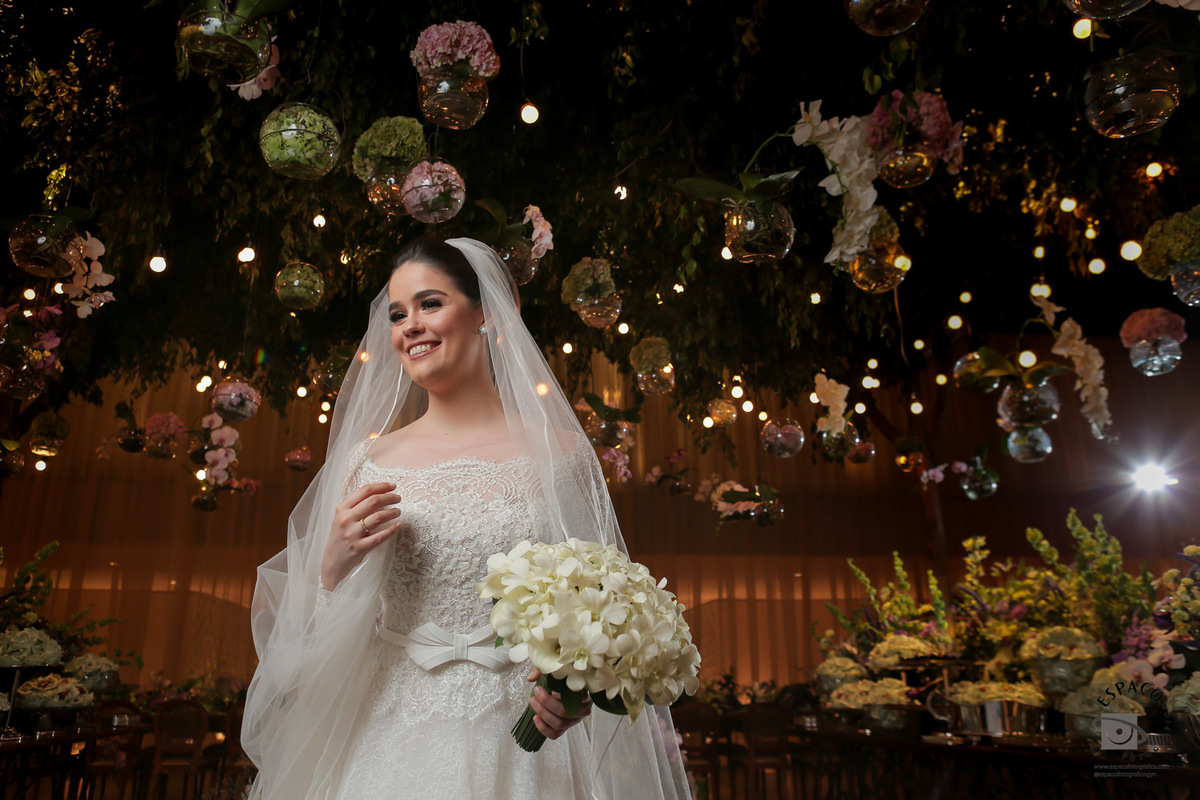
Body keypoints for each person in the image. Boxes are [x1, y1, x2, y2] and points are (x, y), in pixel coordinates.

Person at [242, 237, 690, 800]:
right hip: (387, 733)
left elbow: (602, 604)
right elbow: (319, 641)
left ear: (484, 314)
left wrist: (575, 693)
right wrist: (330, 567)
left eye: (430, 304)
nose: (410, 326)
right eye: (398, 314)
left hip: (522, 743)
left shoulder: (559, 456)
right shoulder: (368, 461)